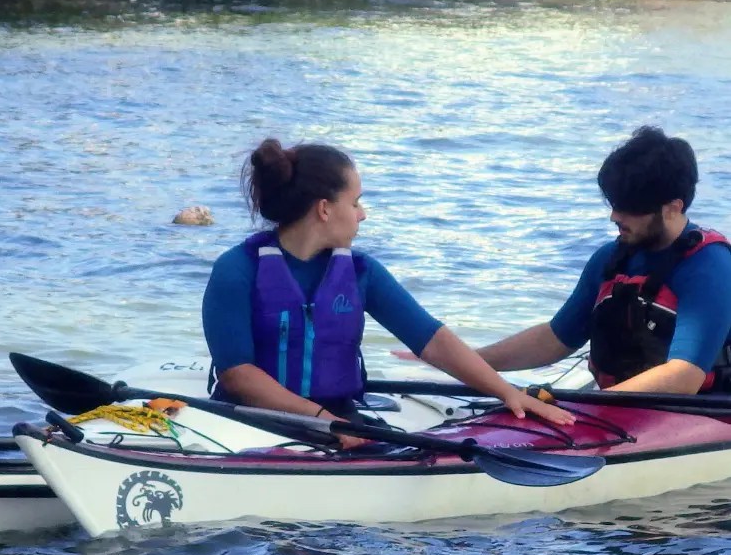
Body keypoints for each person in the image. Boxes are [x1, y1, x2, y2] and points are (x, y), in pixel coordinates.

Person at [201, 138, 573, 449]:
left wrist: (508, 393)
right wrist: (323, 422)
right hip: (250, 422)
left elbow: (433, 341)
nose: (362, 214)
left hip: (340, 416)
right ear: (325, 209)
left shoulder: (362, 271)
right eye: (356, 201)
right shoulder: (237, 269)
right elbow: (237, 375)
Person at [476, 126, 731, 394]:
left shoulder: (711, 268)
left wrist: (593, 406)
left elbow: (684, 376)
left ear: (672, 208)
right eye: (613, 205)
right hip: (619, 409)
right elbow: (555, 338)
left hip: (701, 414)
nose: (615, 217)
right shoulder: (610, 258)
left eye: (629, 208)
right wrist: (469, 362)